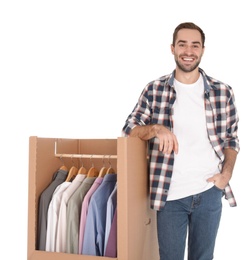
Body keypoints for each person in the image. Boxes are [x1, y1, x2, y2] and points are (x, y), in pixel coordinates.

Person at [122, 22, 240, 260]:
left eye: (195, 45)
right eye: (182, 44)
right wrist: (156, 128)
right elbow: (129, 130)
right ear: (172, 48)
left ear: (203, 50)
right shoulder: (154, 90)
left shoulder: (222, 91)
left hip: (209, 193)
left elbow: (231, 138)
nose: (189, 51)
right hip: (170, 195)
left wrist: (226, 174)